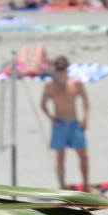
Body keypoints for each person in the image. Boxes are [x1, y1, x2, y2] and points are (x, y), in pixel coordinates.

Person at [39, 55, 90, 189]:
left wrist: (85, 118)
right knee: (61, 158)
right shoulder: (50, 86)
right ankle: (61, 186)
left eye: (63, 69)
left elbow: (86, 102)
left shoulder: (76, 83)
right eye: (58, 69)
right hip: (59, 125)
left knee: (83, 155)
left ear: (67, 69)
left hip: (74, 123)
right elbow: (43, 104)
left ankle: (86, 185)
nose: (61, 72)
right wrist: (51, 117)